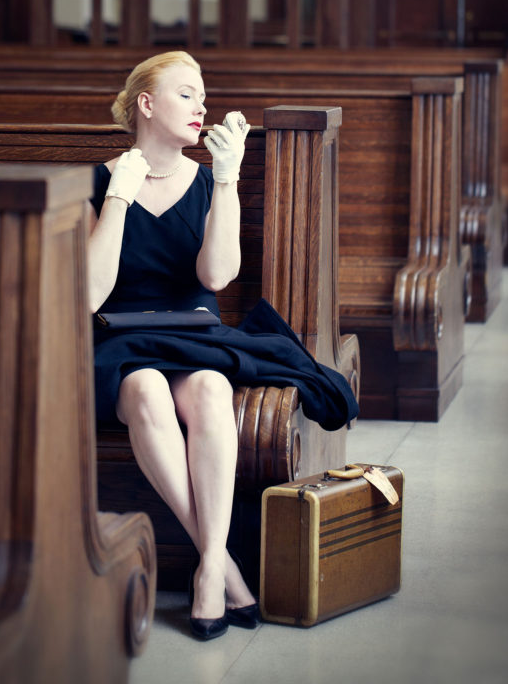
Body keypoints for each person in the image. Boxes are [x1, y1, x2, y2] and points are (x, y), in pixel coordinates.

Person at [87, 51, 358, 641]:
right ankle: (224, 565)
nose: (202, 106)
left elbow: (216, 276)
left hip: (193, 333)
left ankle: (212, 565)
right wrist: (118, 196)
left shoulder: (210, 178)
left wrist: (229, 177)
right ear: (148, 105)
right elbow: (89, 292)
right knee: (145, 389)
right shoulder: (101, 181)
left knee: (211, 388)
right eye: (187, 94)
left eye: (202, 94)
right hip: (120, 340)